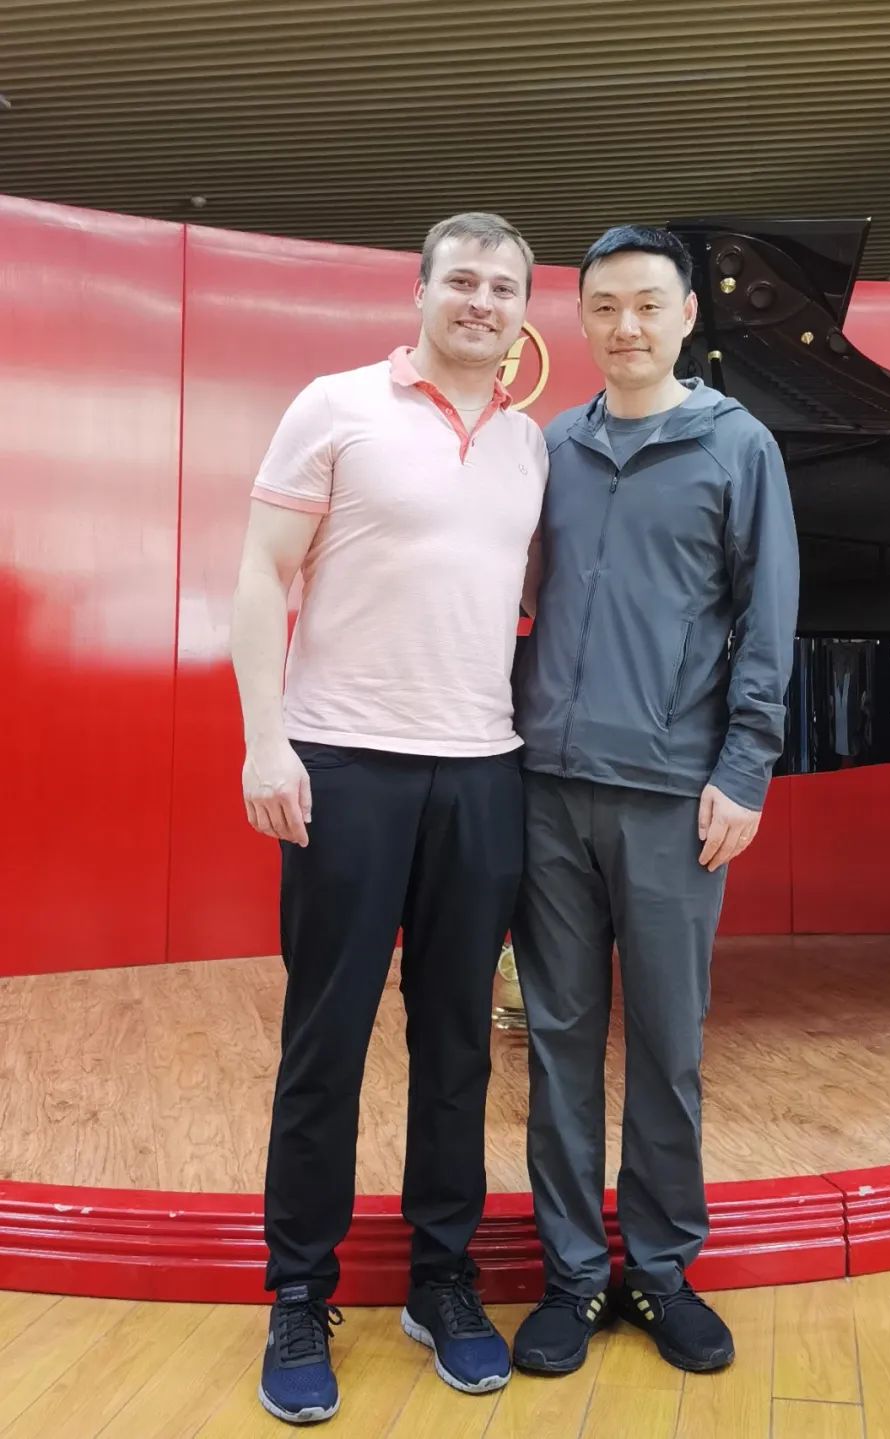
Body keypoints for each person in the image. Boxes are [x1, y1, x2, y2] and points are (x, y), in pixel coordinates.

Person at [230, 212, 547, 1424]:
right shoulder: (337, 405)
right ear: (420, 291)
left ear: (523, 312)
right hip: (345, 765)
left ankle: (441, 1280)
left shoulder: (528, 443)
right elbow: (261, 572)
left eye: (503, 286)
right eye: (461, 279)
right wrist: (267, 739)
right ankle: (298, 1292)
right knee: (327, 1040)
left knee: (459, 1042)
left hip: (482, 772)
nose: (481, 300)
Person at [510, 225, 799, 1377]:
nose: (625, 325)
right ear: (581, 318)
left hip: (675, 796)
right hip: (546, 789)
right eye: (604, 306)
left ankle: (663, 1270)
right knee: (559, 1042)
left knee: (669, 1046)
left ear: (686, 315)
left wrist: (745, 768)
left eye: (647, 304)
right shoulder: (551, 446)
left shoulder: (739, 446)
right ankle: (574, 1274)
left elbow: (768, 621)